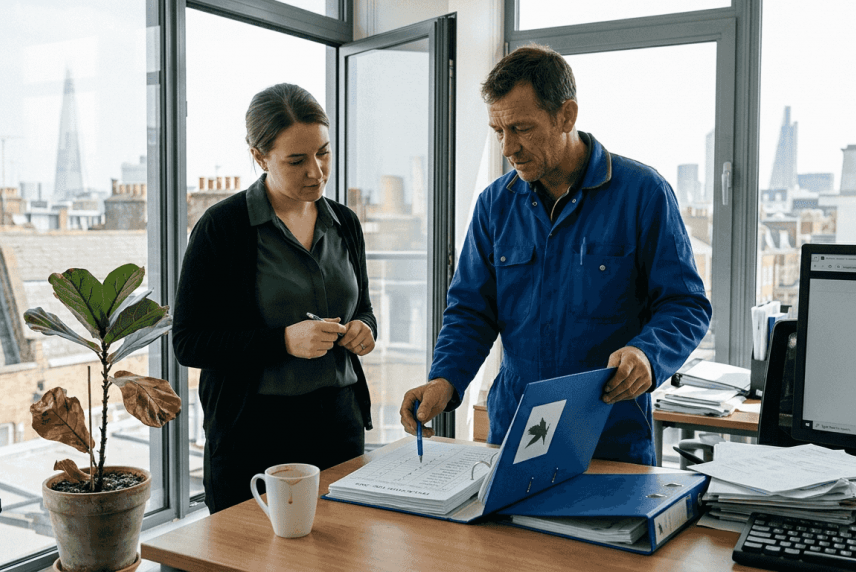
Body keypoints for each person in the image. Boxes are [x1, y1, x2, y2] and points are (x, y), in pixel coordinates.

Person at [400, 45, 712, 466]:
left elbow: (685, 305)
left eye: (521, 128)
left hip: (610, 437)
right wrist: (445, 379)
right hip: (514, 430)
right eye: (498, 131)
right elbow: (471, 310)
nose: (508, 148)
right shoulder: (495, 204)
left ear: (566, 115)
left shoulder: (643, 194)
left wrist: (648, 355)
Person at [173, 83, 377, 513]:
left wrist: (365, 329)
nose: (317, 172)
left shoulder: (345, 222)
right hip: (254, 434)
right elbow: (189, 342)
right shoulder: (221, 229)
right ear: (259, 157)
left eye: (323, 152)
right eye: (297, 160)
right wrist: (283, 342)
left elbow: (363, 308)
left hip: (340, 426)